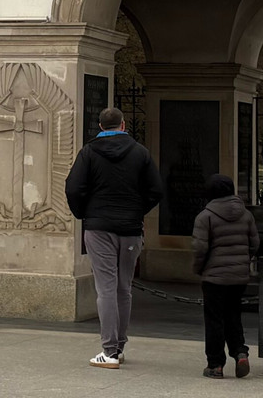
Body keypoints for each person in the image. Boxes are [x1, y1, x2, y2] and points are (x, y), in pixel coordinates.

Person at [65, 107, 163, 369]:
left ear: (100, 126)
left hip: (99, 227)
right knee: (124, 288)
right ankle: (119, 347)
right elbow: (156, 189)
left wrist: (84, 213)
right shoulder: (140, 152)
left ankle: (108, 351)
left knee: (105, 288)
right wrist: (137, 210)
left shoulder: (88, 152)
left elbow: (73, 187)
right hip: (130, 228)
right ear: (123, 125)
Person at [192, 173, 259, 379]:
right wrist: (243, 262)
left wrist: (199, 269)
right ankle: (240, 352)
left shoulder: (206, 217)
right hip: (238, 277)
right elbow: (254, 243)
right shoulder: (246, 214)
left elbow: (199, 249)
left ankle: (215, 365)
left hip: (214, 277)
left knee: (214, 319)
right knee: (233, 315)